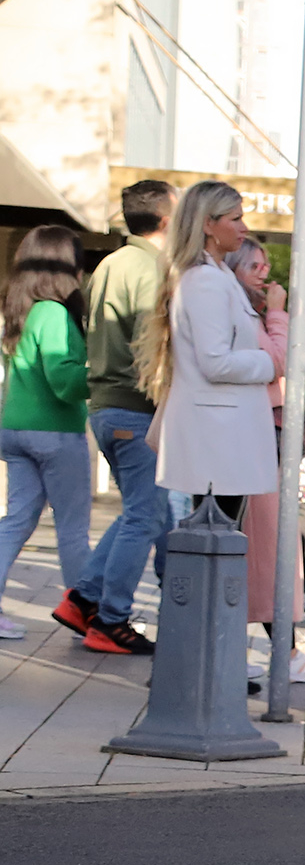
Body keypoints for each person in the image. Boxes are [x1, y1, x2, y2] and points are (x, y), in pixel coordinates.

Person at [58, 180, 175, 655]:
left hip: (108, 405)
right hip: (136, 407)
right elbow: (155, 348)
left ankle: (84, 597)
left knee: (139, 514)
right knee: (145, 517)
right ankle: (110, 619)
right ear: (167, 217)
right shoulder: (149, 269)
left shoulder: (110, 263)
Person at [147, 181, 280, 526]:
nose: (244, 227)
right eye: (234, 218)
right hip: (217, 438)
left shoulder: (215, 276)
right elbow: (215, 361)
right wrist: (270, 363)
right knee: (214, 541)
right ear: (208, 224)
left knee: (219, 538)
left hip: (223, 435)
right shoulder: (205, 280)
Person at [218, 240, 305, 685]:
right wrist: (278, 311)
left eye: (265, 264)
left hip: (259, 435)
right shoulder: (245, 313)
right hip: (253, 437)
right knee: (267, 547)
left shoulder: (239, 308)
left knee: (266, 546)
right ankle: (280, 652)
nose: (263, 271)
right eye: (253, 264)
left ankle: (278, 649)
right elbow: (279, 359)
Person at [0, 226, 92, 641]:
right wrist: (101, 374)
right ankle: (85, 616)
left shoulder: (21, 310)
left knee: (17, 520)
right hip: (55, 433)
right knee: (72, 527)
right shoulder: (54, 313)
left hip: (15, 429)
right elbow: (63, 381)